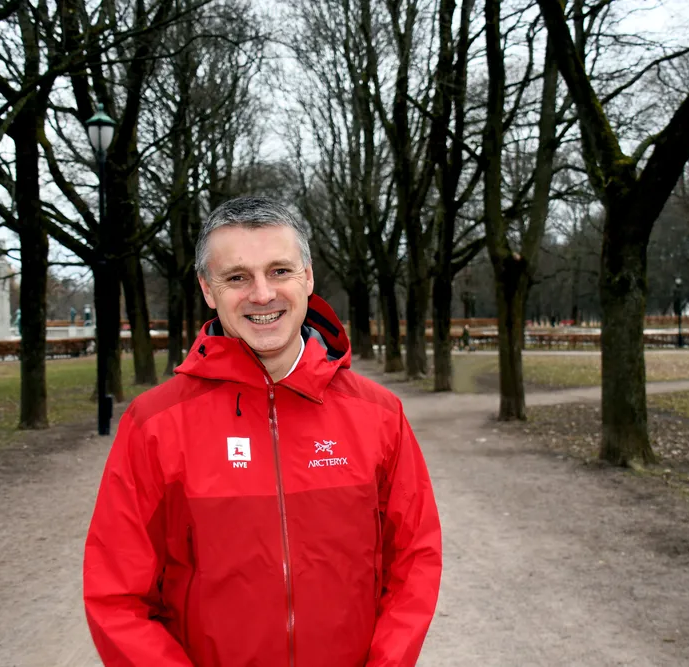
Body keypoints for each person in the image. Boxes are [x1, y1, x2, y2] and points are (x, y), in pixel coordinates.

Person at [84, 197, 443, 667]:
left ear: (307, 278)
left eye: (279, 271)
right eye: (237, 277)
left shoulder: (379, 415)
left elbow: (415, 560)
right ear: (207, 289)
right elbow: (116, 595)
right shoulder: (153, 425)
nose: (261, 293)